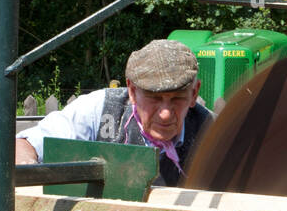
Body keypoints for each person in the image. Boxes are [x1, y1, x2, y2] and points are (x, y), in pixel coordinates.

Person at [14, 39, 212, 185]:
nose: (165, 114)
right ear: (132, 91)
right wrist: (27, 167)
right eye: (154, 98)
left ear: (194, 94)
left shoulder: (214, 131)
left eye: (177, 99)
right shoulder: (99, 110)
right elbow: (25, 144)